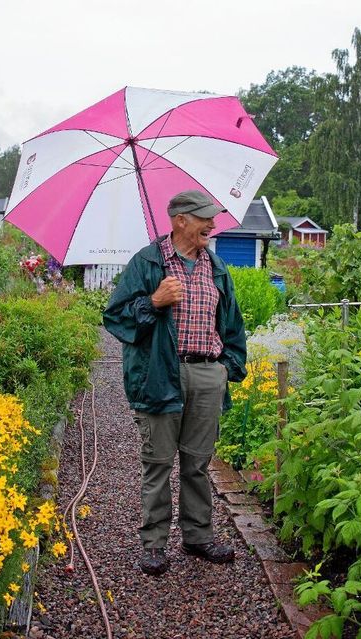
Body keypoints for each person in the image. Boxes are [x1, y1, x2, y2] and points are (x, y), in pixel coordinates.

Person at [103, 190, 247, 576]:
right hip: (159, 374)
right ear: (180, 220)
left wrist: (225, 369)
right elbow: (115, 318)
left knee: (198, 464)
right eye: (204, 219)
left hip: (206, 373)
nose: (212, 226)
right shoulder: (147, 263)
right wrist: (154, 301)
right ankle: (153, 544)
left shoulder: (216, 267)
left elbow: (233, 325)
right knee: (158, 463)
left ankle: (198, 536)